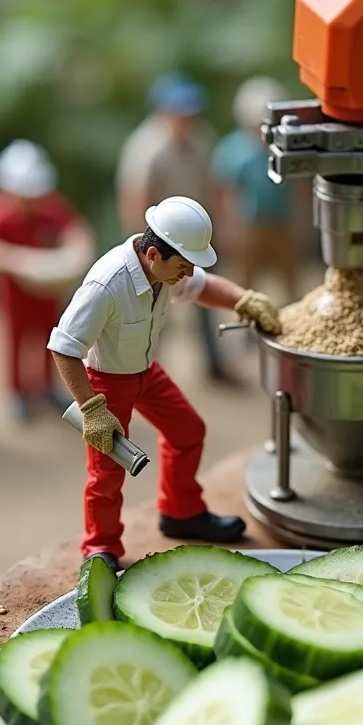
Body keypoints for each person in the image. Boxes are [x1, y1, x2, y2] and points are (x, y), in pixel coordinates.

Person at [48, 195, 281, 571]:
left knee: (188, 430)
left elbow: (204, 287)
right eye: (184, 265)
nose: (188, 273)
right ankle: (100, 547)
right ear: (154, 253)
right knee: (106, 471)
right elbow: (64, 348)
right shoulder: (106, 284)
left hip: (146, 371)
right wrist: (92, 409)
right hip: (105, 382)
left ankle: (181, 511)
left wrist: (244, 300)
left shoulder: (167, 270)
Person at [116, 72, 237, 384]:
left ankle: (213, 362)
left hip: (196, 237)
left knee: (205, 298)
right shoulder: (145, 148)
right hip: (159, 242)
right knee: (155, 307)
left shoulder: (201, 138)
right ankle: (149, 368)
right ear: (163, 112)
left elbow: (214, 184)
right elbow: (135, 198)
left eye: (191, 113)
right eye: (181, 113)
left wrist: (220, 227)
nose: (188, 119)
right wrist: (144, 249)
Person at [0, 140, 94, 421]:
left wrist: (74, 256)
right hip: (14, 291)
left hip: (48, 289)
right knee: (15, 339)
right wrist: (21, 262)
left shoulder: (51, 206)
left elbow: (76, 229)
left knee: (52, 336)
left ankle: (47, 387)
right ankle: (17, 392)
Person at [210, 76, 299, 304]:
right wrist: (226, 229)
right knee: (245, 285)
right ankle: (243, 331)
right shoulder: (233, 150)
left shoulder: (283, 148)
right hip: (248, 227)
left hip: (281, 223)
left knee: (290, 280)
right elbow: (224, 192)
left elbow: (297, 186)